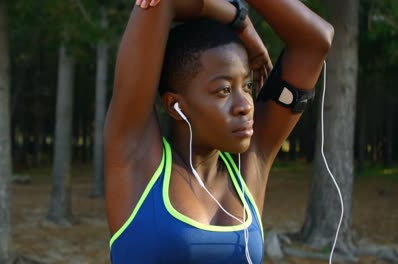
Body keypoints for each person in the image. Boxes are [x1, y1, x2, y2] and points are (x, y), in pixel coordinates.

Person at [104, 0, 334, 263]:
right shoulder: (138, 161)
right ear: (175, 105)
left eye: (247, 86)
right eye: (224, 90)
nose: (245, 105)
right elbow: (161, 4)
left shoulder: (249, 164)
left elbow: (316, 40)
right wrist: (240, 19)